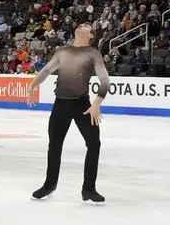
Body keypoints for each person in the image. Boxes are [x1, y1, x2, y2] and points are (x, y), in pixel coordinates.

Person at [26, 22, 110, 204]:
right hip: (61, 104)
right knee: (54, 145)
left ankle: (89, 189)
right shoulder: (62, 51)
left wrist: (96, 103)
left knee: (94, 144)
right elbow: (46, 71)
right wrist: (32, 86)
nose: (81, 25)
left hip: (83, 105)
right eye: (80, 24)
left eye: (86, 25)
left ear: (91, 35)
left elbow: (105, 82)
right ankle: (49, 184)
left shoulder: (93, 54)